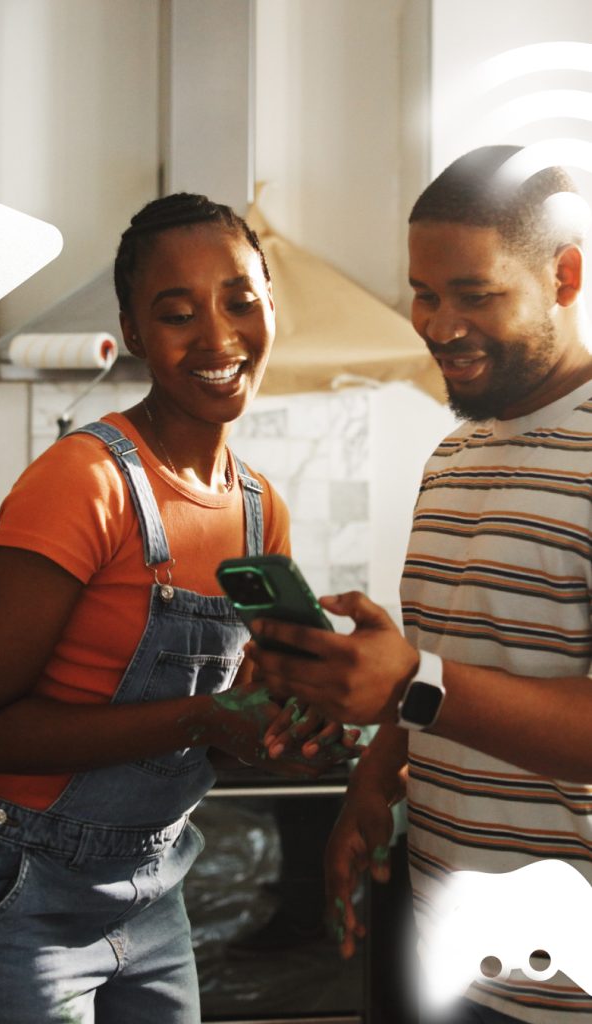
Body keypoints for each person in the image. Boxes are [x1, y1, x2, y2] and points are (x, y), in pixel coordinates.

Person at [0, 192, 355, 1024]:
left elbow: (252, 712)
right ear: (136, 331)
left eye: (240, 302)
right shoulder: (86, 483)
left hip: (151, 892)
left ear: (268, 308)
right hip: (18, 888)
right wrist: (210, 721)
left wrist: (294, 732)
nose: (219, 338)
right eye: (177, 313)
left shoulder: (259, 511)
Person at [249, 145, 592, 1024]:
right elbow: (456, 670)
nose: (438, 326)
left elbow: (437, 684)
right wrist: (376, 777)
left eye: (475, 295)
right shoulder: (454, 455)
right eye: (425, 293)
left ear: (564, 276)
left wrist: (410, 683)